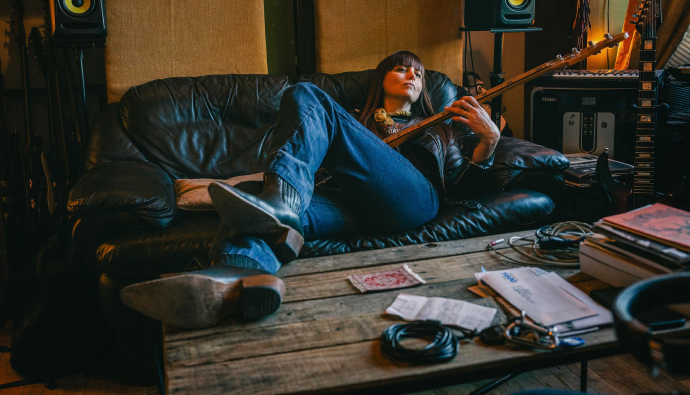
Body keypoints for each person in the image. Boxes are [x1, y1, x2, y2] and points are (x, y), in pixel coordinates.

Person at [120, 51, 500, 329]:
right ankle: (237, 278)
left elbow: (462, 190)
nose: (411, 76)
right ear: (380, 78)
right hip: (346, 205)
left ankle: (281, 202)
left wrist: (489, 142)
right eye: (400, 69)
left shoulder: (439, 126)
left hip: (413, 200)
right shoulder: (351, 121)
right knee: (252, 200)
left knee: (306, 94)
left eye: (417, 73)